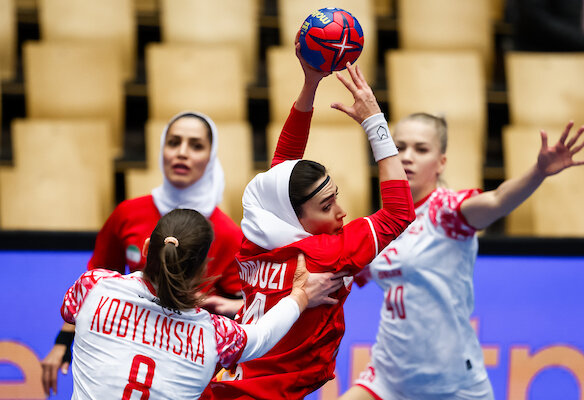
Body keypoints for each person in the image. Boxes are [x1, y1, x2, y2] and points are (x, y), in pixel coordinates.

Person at [202, 44, 416, 400]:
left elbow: (281, 173)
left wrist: (310, 84)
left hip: (229, 385)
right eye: (326, 206)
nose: (341, 213)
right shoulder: (326, 254)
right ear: (295, 216)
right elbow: (399, 213)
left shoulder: (256, 237)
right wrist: (374, 120)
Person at [339, 113, 584, 400]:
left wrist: (538, 171)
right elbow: (343, 275)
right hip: (387, 378)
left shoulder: (445, 211)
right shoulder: (382, 224)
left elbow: (497, 200)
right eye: (399, 148)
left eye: (421, 149)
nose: (407, 157)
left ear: (441, 162)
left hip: (453, 385)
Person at [42, 111, 244, 396]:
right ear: (162, 148)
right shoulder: (128, 214)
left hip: (187, 370)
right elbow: (92, 285)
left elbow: (244, 309)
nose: (182, 153)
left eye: (196, 145)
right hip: (124, 355)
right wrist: (62, 343)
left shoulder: (227, 233)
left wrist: (211, 304)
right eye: (174, 142)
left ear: (211, 157)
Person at [60, 208, 342, 399]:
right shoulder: (217, 336)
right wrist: (300, 296)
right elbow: (263, 335)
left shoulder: (93, 286)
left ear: (146, 249)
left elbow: (69, 312)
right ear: (201, 272)